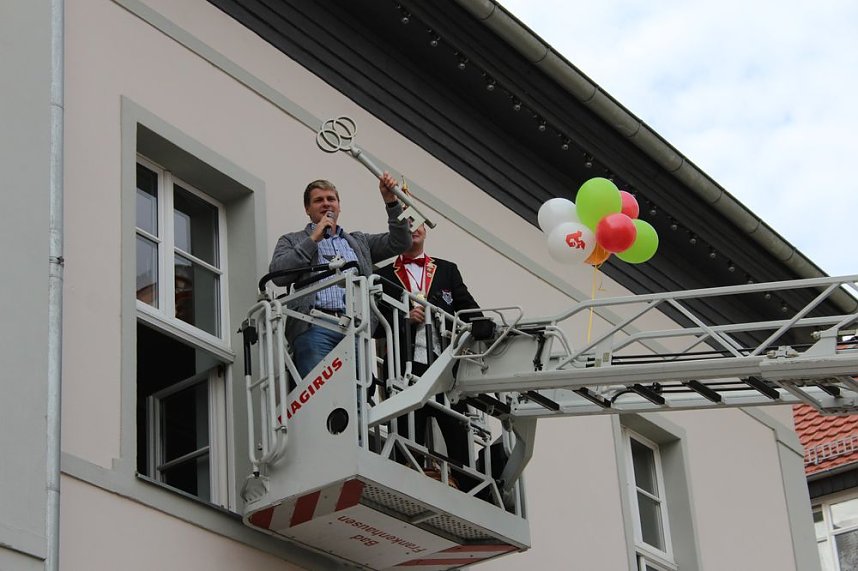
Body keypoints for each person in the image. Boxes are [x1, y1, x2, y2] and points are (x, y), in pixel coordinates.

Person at [268, 173, 412, 379]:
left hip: (355, 329)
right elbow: (278, 275)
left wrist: (391, 202)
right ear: (307, 209)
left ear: (339, 206)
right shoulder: (292, 240)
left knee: (357, 399)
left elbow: (400, 243)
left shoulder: (358, 241)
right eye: (319, 200)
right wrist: (313, 238)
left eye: (331, 199)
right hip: (314, 325)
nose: (326, 204)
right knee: (319, 394)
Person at [375, 223, 481, 470]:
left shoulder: (447, 269)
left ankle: (467, 487)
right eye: (406, 224)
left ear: (426, 229)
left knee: (459, 436)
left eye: (417, 223)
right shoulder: (384, 275)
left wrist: (484, 325)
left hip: (445, 366)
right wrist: (404, 318)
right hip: (406, 368)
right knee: (406, 436)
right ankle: (402, 481)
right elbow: (375, 325)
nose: (413, 228)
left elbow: (467, 307)